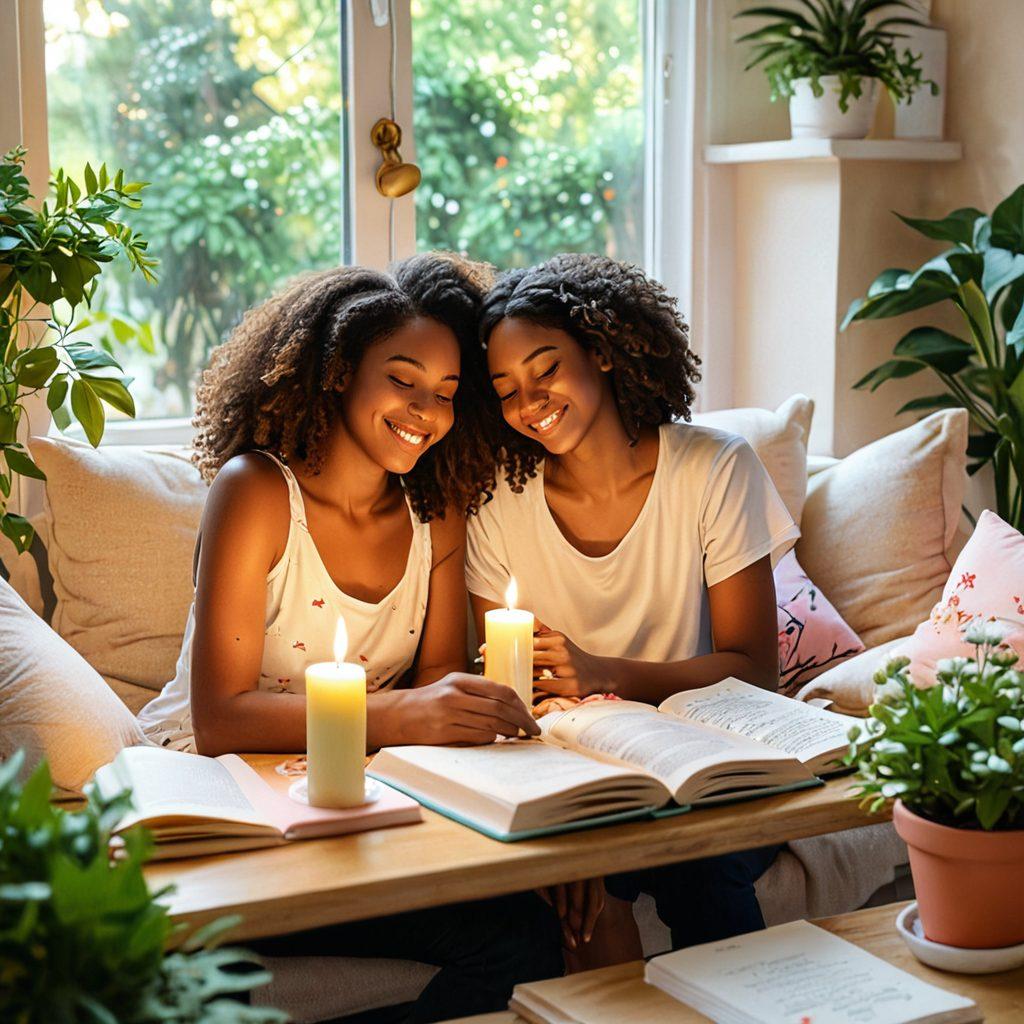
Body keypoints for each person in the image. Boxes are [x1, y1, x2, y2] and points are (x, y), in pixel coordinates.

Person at [138, 254, 561, 1022]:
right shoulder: (257, 492)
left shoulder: (437, 512)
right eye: (402, 379)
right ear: (337, 371)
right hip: (214, 796)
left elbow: (434, 693)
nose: (424, 410)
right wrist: (400, 714)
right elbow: (218, 719)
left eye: (446, 392)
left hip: (349, 796)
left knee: (525, 934)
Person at [467, 253, 799, 957]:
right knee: (568, 881)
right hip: (573, 775)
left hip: (707, 762)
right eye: (505, 389)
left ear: (604, 350)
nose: (528, 403)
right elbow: (504, 696)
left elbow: (754, 671)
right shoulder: (498, 504)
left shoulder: (714, 468)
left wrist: (600, 673)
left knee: (700, 865)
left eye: (546, 369)